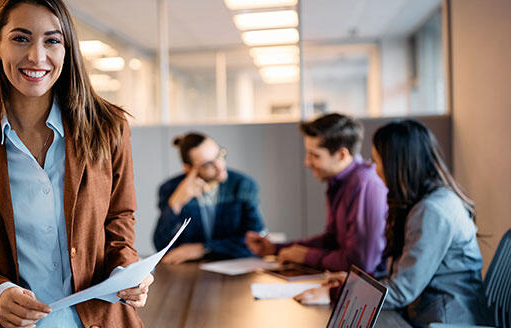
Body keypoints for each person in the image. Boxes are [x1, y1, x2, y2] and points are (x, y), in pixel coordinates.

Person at [0, 0, 151, 328]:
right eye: (21, 38)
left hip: (100, 318)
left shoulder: (108, 128)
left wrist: (127, 269)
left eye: (52, 40)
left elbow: (119, 218)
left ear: (67, 50)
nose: (37, 56)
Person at [295, 119, 492, 326]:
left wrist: (337, 292)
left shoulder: (432, 210)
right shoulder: (427, 202)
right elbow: (402, 278)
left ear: (396, 165)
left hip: (443, 320)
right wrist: (352, 284)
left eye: (377, 161)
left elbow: (402, 290)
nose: (373, 168)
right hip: (426, 313)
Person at [246, 113, 387, 273]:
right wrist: (276, 248)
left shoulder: (365, 185)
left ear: (341, 155)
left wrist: (307, 256)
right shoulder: (338, 182)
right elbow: (332, 240)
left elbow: (361, 264)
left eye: (315, 155)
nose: (307, 162)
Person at [153, 132, 264, 264]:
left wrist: (203, 249)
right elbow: (161, 245)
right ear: (188, 169)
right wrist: (175, 204)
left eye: (219, 155)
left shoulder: (242, 185)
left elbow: (256, 242)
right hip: (190, 271)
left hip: (235, 268)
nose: (220, 166)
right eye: (208, 164)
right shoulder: (170, 188)